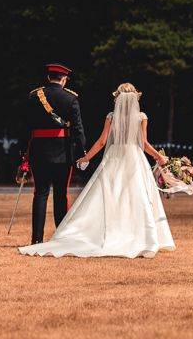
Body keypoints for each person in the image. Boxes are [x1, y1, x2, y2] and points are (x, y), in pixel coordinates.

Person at [19, 82, 175, 259]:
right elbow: (144, 144)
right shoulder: (141, 117)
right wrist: (159, 157)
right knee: (136, 197)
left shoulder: (111, 116)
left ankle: (109, 233)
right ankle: (140, 236)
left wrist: (86, 157)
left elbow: (102, 142)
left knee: (110, 196)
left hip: (114, 158)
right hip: (134, 158)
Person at [20, 63, 86, 245]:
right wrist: (83, 151)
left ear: (48, 77)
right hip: (63, 154)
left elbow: (25, 127)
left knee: (40, 194)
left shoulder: (34, 97)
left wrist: (22, 153)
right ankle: (61, 237)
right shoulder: (71, 99)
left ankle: (37, 239)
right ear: (63, 79)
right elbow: (78, 129)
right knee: (60, 194)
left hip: (38, 153)